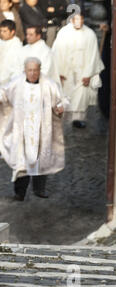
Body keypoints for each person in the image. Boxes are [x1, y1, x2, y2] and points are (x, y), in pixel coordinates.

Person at [0, 57, 68, 201]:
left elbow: (62, 100)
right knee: (22, 162)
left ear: (39, 70)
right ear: (24, 70)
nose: (32, 73)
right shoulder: (17, 83)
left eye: (35, 70)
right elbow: (4, 93)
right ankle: (20, 192)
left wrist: (61, 107)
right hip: (22, 131)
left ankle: (39, 189)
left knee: (40, 161)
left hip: (42, 130)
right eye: (29, 70)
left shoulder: (49, 84)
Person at [52, 12, 105, 129]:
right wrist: (59, 72)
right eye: (76, 20)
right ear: (71, 20)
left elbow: (93, 56)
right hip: (66, 72)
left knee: (80, 98)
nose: (79, 22)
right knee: (66, 96)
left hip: (82, 71)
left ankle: (78, 121)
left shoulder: (89, 34)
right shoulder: (64, 33)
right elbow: (57, 53)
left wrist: (88, 74)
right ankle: (64, 122)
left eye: (81, 20)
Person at [0, 19, 23, 85]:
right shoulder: (1, 42)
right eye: (1, 31)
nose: (2, 33)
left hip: (9, 82)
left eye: (5, 31)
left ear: (12, 32)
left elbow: (16, 68)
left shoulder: (17, 46)